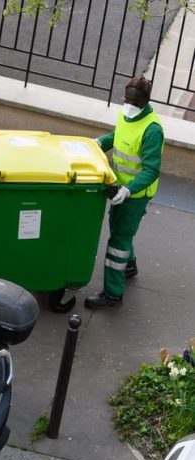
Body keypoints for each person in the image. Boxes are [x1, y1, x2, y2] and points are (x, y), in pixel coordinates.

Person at [86, 76, 164, 309]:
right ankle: (129, 266)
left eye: (134, 101)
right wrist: (99, 142)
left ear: (144, 102)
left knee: (118, 240)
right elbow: (119, 136)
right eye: (126, 100)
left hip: (136, 194)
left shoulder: (152, 130)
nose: (128, 105)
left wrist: (129, 190)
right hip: (120, 187)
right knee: (119, 228)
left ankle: (112, 293)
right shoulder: (126, 114)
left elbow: (152, 170)